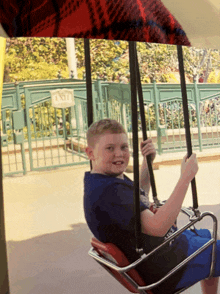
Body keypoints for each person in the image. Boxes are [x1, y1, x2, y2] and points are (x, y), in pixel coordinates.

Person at [84, 118, 220, 294]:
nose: (119, 154)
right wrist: (185, 178)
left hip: (162, 252)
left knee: (209, 237)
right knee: (217, 252)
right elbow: (158, 227)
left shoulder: (102, 180)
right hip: (166, 267)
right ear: (90, 153)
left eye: (124, 147)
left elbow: (137, 196)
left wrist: (147, 162)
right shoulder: (109, 193)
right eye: (110, 148)